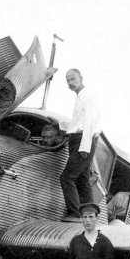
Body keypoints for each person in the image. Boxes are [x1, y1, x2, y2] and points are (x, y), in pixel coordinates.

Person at [58, 69, 100, 222]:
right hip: (79, 139)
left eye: (73, 79)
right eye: (68, 80)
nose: (70, 82)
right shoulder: (80, 96)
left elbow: (89, 122)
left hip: (83, 140)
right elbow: (78, 122)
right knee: (82, 180)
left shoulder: (87, 95)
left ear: (81, 78)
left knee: (66, 178)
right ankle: (91, 215)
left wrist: (84, 146)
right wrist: (59, 125)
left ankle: (76, 213)